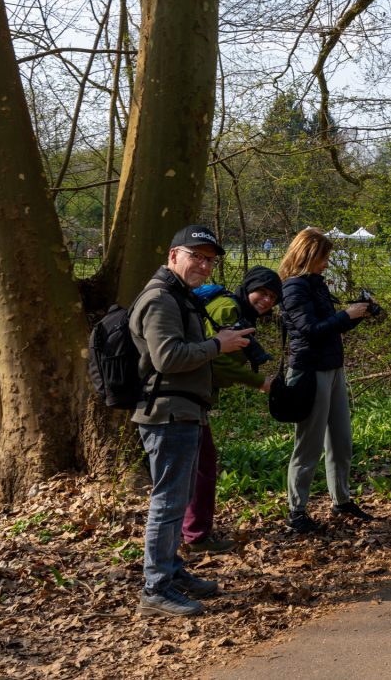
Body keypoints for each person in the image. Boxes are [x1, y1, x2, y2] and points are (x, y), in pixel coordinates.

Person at [130, 225, 255, 617]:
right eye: (195, 256)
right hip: (167, 414)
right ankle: (156, 587)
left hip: (184, 411)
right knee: (168, 503)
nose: (203, 265)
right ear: (173, 256)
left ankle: (171, 571)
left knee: (178, 499)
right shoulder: (160, 298)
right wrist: (219, 345)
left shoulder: (179, 297)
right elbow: (167, 358)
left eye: (209, 260)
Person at [278, 228, 374, 533]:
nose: (327, 263)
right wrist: (345, 314)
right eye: (324, 257)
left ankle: (341, 500)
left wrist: (357, 315)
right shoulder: (293, 288)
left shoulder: (315, 285)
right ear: (308, 255)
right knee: (309, 444)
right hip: (309, 371)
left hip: (333, 368)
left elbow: (331, 329)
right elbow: (311, 330)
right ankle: (297, 510)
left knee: (341, 441)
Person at [182, 266, 283, 554]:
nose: (266, 300)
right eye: (262, 292)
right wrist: (260, 382)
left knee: (198, 465)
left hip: (194, 394)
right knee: (201, 468)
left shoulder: (239, 311)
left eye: (273, 297)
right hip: (186, 394)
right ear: (248, 287)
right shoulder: (227, 309)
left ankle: (190, 532)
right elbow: (215, 359)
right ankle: (195, 536)